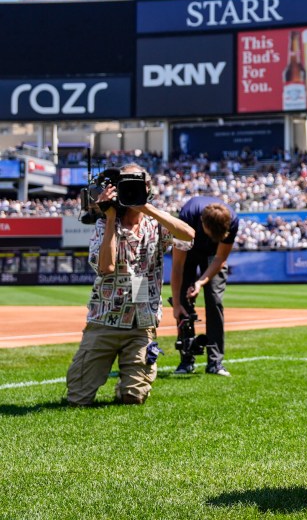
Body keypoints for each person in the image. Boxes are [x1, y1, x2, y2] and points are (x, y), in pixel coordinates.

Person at [65, 163, 195, 406]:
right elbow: (107, 267)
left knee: (134, 398)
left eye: (138, 184)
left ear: (149, 188)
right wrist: (112, 216)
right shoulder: (104, 224)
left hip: (141, 322)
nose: (131, 189)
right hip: (105, 319)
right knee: (77, 399)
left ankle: (127, 386)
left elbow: (188, 235)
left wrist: (146, 206)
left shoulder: (156, 224)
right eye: (126, 184)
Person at [170, 196, 239, 376]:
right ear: (202, 224)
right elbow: (177, 266)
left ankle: (215, 363)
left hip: (213, 257)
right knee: (184, 302)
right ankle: (186, 360)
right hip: (189, 251)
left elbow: (220, 258)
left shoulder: (231, 221)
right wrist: (176, 304)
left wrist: (201, 282)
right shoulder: (187, 218)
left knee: (214, 300)